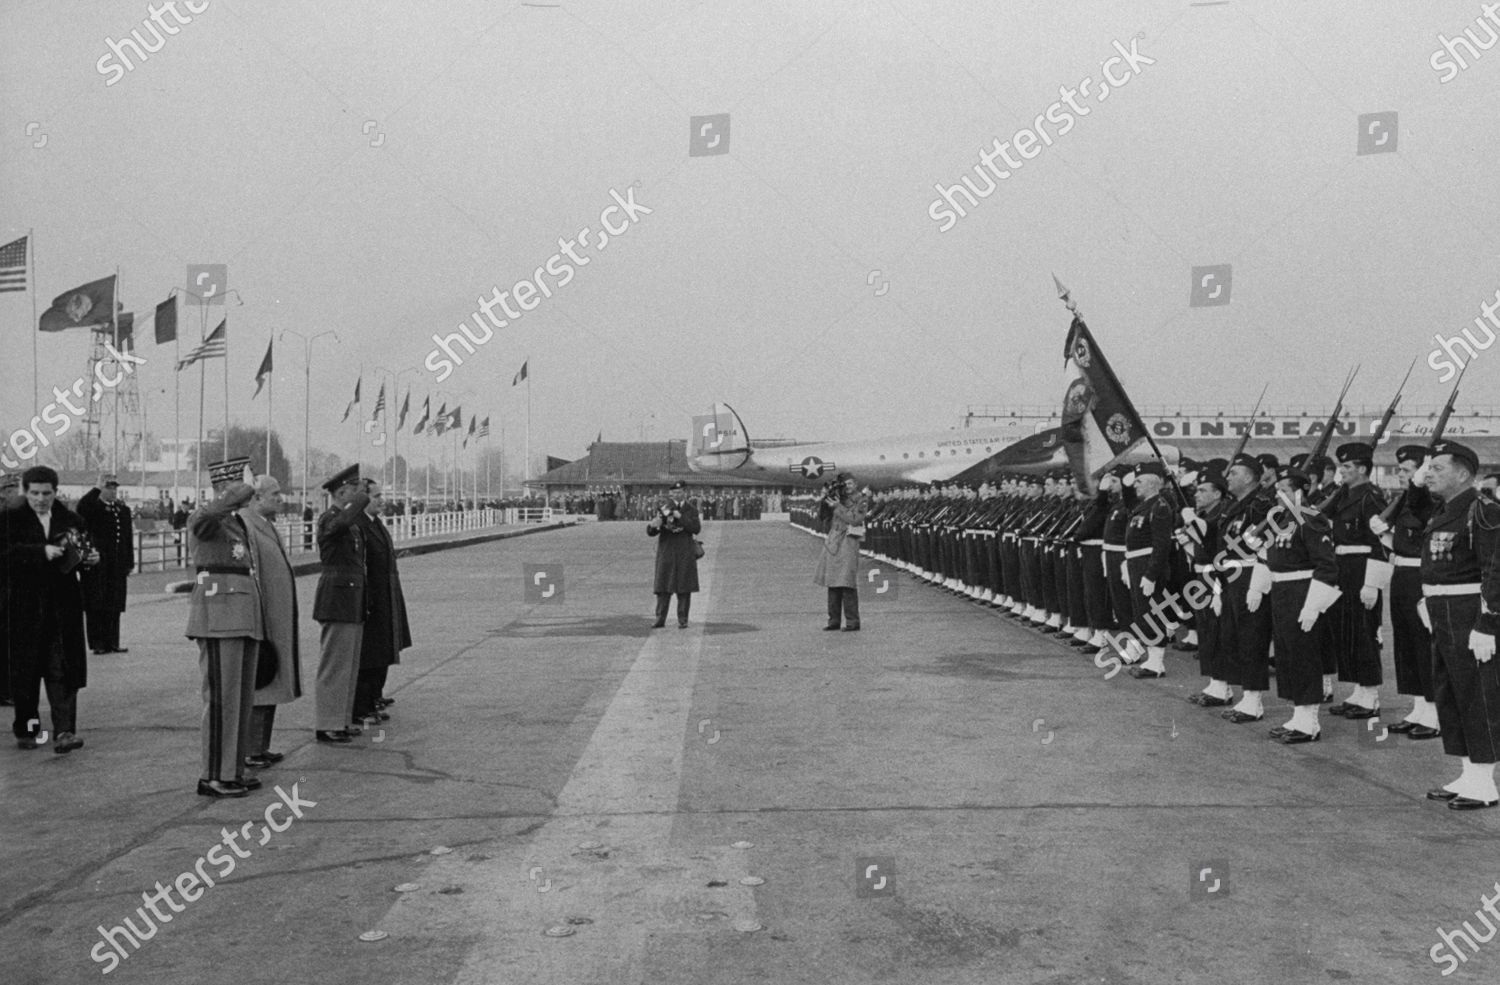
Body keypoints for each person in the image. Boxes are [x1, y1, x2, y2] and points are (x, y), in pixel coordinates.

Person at [1421, 441, 1500, 809]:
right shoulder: (1446, 510)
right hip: (1443, 610)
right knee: (1450, 693)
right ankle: (1469, 771)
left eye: (1438, 467)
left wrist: (1488, 623)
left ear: (1464, 473)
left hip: (1470, 612)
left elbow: (1494, 570)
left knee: (1477, 695)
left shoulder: (1482, 510)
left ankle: (1485, 782)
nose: (1429, 473)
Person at [4, 466, 98, 753]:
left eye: (47, 493)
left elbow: (81, 551)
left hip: (63, 608)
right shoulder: (9, 520)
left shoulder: (71, 519)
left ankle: (64, 732)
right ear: (25, 491)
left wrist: (90, 559)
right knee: (26, 673)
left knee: (64, 671)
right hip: (24, 608)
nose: (41, 499)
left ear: (56, 492)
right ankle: (28, 730)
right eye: (34, 493)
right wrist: (39, 552)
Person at [186, 458, 263, 797]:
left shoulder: (235, 521)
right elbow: (205, 519)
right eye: (242, 484)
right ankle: (214, 774)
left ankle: (232, 768)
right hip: (218, 615)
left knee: (240, 697)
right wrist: (243, 489)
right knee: (221, 698)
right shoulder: (207, 517)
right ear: (226, 488)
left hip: (241, 612)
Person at [1255, 465, 1340, 744]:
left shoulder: (1310, 518)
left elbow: (1327, 566)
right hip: (1282, 591)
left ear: (1301, 491)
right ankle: (1297, 714)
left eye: (1285, 490)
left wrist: (1313, 606)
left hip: (1302, 591)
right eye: (1277, 490)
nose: (1278, 495)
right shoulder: (1283, 519)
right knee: (1287, 655)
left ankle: (1309, 722)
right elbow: (1270, 557)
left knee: (1303, 656)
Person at [1370, 446, 1439, 738]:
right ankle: (1418, 706)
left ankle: (1434, 714)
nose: (1401, 475)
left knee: (1424, 644)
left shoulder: (1432, 503)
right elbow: (1399, 542)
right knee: (1406, 644)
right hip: (1400, 574)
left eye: (1407, 471)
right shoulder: (1401, 503)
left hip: (1420, 577)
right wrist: (1385, 535)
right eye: (1399, 471)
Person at [1321, 442, 1390, 719]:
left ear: (1362, 469)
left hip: (1363, 569)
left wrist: (1372, 583)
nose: (1342, 471)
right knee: (1348, 631)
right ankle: (1359, 691)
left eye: (1347, 467)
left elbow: (1381, 543)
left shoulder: (1370, 498)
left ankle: (1371, 696)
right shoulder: (1346, 494)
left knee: (1364, 631)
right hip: (1344, 569)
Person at [238, 474, 301, 770]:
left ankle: (261, 746)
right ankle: (251, 749)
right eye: (274, 494)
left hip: (278, 620)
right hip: (265, 620)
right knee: (261, 684)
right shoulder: (247, 526)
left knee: (272, 683)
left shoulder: (266, 525)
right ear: (256, 497)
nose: (280, 498)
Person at [313, 465, 371, 743]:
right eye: (355, 488)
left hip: (351, 599)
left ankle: (341, 719)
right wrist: (361, 499)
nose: (360, 493)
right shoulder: (330, 519)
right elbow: (341, 525)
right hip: (337, 599)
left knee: (348, 664)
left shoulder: (348, 520)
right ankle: (327, 722)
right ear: (342, 492)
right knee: (335, 664)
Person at [353, 480, 410, 723]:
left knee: (384, 648)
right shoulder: (359, 525)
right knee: (370, 653)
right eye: (376, 496)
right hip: (372, 597)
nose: (381, 500)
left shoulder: (375, 524)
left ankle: (375, 695)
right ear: (363, 498)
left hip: (387, 593)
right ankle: (363, 704)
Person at [77, 473, 134, 655]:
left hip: (116, 565)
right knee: (96, 604)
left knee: (114, 604)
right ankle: (98, 643)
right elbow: (82, 508)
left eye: (114, 488)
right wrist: (96, 487)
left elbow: (127, 538)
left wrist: (129, 561)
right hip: (97, 563)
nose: (113, 491)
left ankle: (113, 642)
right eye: (109, 487)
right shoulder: (93, 508)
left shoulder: (122, 510)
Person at [813, 472, 867, 631]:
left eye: (850, 484)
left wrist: (838, 506)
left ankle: (852, 621)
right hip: (834, 541)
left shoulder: (861, 500)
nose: (847, 487)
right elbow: (823, 517)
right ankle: (833, 620)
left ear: (856, 484)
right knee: (832, 582)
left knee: (847, 582)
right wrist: (825, 501)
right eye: (845, 484)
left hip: (849, 541)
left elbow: (855, 520)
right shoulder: (838, 498)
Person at [647, 480, 701, 628]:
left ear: (685, 493)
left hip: (684, 552)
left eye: (680, 492)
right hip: (667, 552)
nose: (677, 495)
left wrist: (680, 517)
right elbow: (652, 531)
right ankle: (660, 619)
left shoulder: (691, 509)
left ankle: (683, 620)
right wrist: (653, 527)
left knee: (684, 588)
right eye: (674, 493)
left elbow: (695, 528)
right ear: (671, 494)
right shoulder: (663, 508)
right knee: (663, 588)